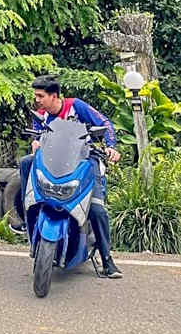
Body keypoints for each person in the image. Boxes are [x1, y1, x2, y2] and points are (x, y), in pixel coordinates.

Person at [19, 74, 122, 279]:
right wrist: (36, 143)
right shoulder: (40, 115)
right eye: (36, 96)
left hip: (84, 161)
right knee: (26, 162)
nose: (37, 100)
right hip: (53, 163)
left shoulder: (77, 106)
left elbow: (105, 123)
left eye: (41, 96)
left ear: (54, 96)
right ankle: (27, 212)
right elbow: (37, 137)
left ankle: (107, 259)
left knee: (96, 208)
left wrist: (111, 147)